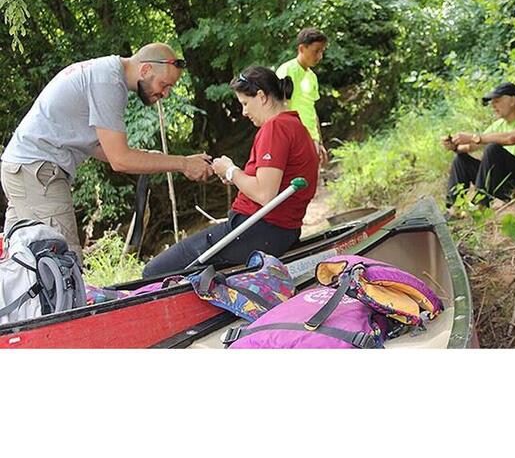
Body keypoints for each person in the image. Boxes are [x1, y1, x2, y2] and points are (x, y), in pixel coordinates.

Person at [0, 44, 213, 264]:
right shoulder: (108, 82)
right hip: (38, 173)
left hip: (22, 170)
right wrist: (184, 164)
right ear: (145, 69)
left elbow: (97, 147)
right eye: (164, 85)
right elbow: (120, 160)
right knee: (62, 267)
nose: (165, 93)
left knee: (17, 264)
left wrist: (153, 159)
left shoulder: (104, 73)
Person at [143, 65, 318, 277]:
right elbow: (273, 184)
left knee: (153, 271)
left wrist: (230, 171)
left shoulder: (276, 128)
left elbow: (265, 194)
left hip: (254, 230)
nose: (244, 112)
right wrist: (236, 176)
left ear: (261, 96)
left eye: (245, 103)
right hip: (278, 231)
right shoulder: (295, 125)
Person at [443, 82, 515, 208]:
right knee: (461, 160)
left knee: (492, 149)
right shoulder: (499, 124)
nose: (493, 106)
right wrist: (454, 147)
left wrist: (474, 137)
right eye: (492, 102)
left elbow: (512, 138)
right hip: (511, 181)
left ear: (512, 100)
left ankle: (481, 205)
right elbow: (470, 147)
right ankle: (453, 208)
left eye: (497, 101)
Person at [276, 28, 328, 165]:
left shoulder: (312, 77)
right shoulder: (286, 71)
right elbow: (281, 107)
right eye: (316, 51)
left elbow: (312, 111)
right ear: (302, 48)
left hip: (312, 139)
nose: (320, 56)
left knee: (311, 183)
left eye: (322, 51)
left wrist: (320, 142)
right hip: (295, 140)